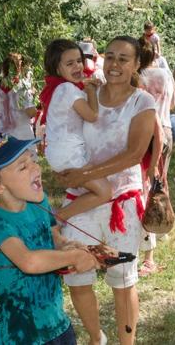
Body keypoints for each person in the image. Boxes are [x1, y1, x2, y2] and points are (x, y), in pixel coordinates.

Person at [53, 36, 156, 345]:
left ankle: (127, 343)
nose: (114, 64)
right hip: (83, 199)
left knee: (123, 281)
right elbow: (63, 132)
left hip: (121, 205)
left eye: (124, 58)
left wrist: (85, 173)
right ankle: (96, 337)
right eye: (109, 56)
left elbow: (134, 154)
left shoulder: (142, 102)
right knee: (76, 275)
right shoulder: (86, 94)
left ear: (136, 64)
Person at [0, 133, 98, 345]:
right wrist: (73, 257)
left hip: (58, 325)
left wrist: (65, 246)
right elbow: (28, 261)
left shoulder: (38, 203)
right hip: (23, 335)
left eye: (33, 160)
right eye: (23, 167)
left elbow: (52, 234)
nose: (36, 169)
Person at [37, 39, 114, 221]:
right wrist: (90, 91)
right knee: (104, 191)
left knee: (95, 188)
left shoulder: (60, 88)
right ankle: (57, 219)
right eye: (70, 63)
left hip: (62, 152)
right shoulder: (67, 89)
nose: (77, 66)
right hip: (68, 154)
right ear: (57, 69)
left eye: (79, 61)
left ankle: (65, 217)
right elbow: (92, 115)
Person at [137, 37, 175, 276]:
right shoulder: (165, 74)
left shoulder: (139, 78)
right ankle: (161, 225)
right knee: (160, 184)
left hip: (151, 134)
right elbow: (171, 104)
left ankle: (150, 245)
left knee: (146, 189)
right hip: (167, 128)